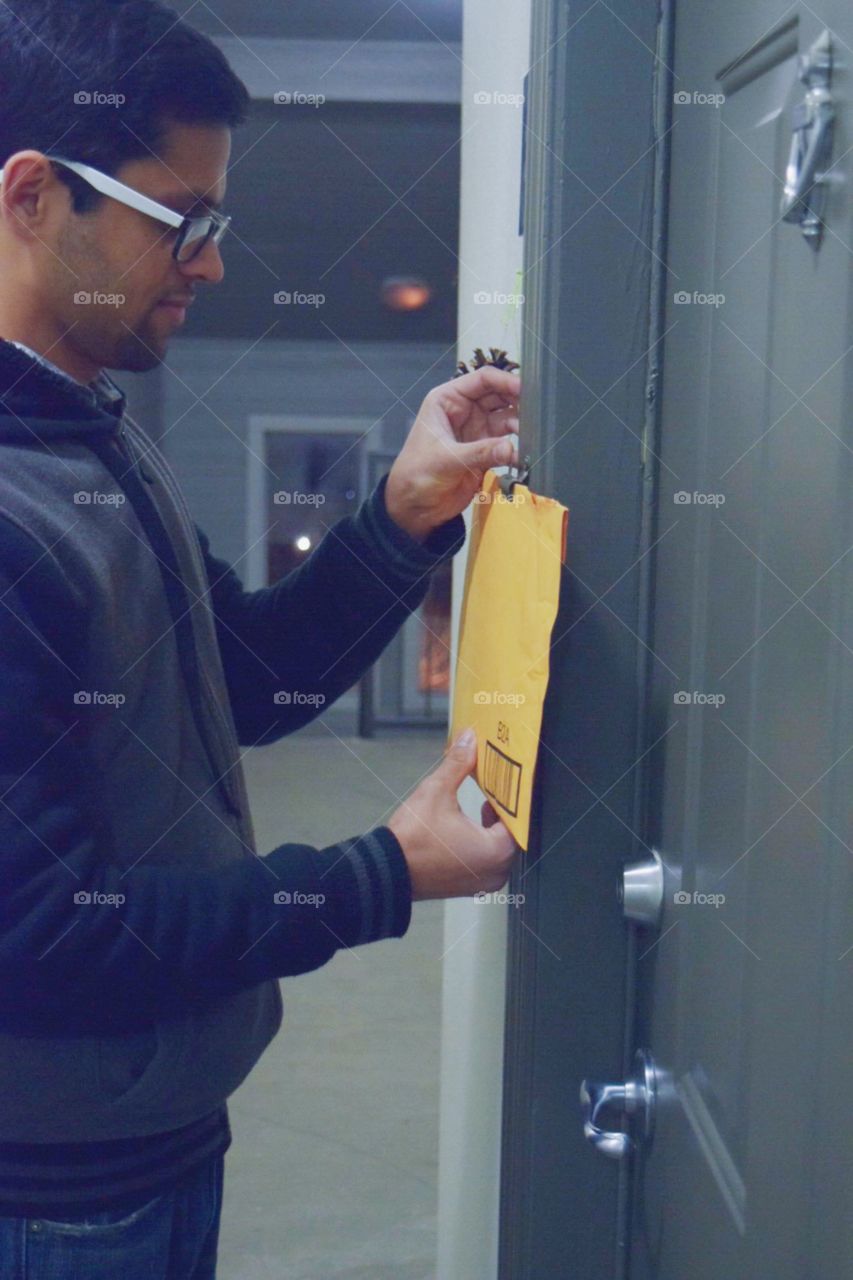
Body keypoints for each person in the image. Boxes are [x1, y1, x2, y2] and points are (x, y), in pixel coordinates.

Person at [0, 2, 521, 1276]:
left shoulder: (95, 437)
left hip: (154, 1137)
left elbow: (247, 676)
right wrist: (375, 872)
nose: (213, 263)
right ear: (29, 197)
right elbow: (42, 935)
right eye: (184, 222)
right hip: (58, 1193)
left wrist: (403, 518)